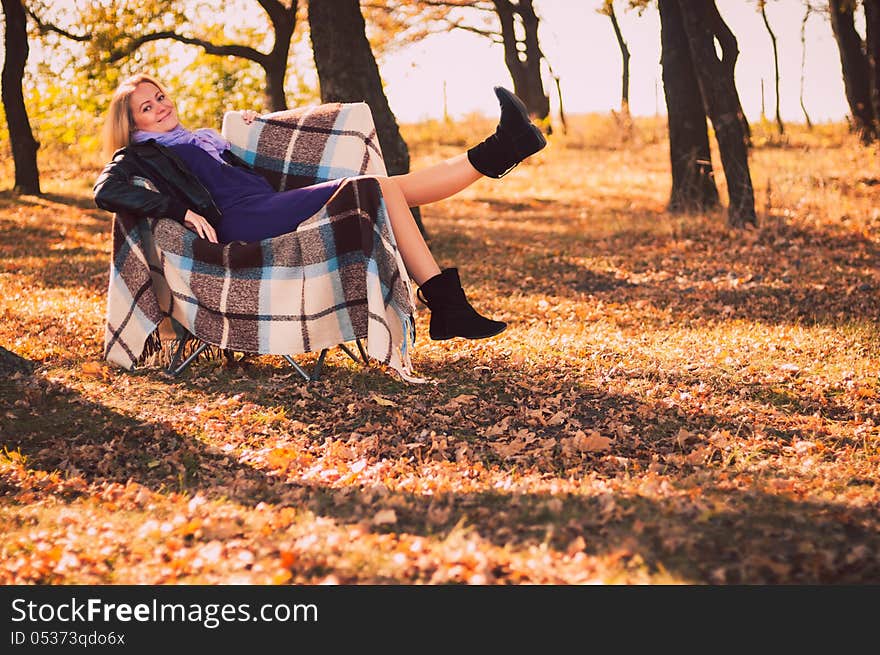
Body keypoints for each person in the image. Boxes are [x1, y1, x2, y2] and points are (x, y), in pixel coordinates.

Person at [94, 73, 547, 341]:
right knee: (379, 188)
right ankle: (504, 150)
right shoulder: (140, 154)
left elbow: (228, 169)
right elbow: (106, 191)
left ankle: (504, 150)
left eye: (160, 97)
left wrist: (253, 127)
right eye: (146, 107)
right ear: (132, 123)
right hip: (243, 221)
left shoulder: (197, 139)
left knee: (385, 191)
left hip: (265, 205)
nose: (160, 107)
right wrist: (178, 210)